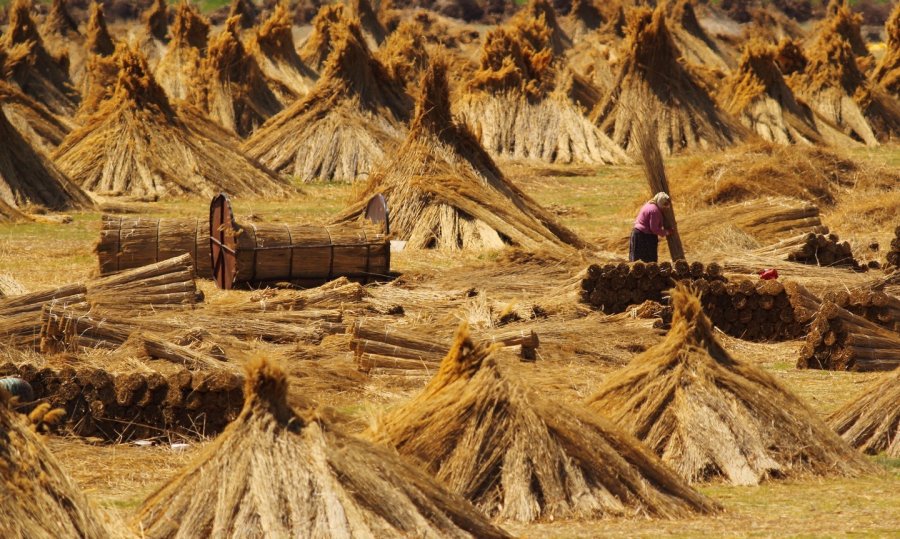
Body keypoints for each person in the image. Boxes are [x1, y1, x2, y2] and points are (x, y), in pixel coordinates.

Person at [629, 192, 674, 263]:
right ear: (660, 202)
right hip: (644, 237)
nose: (666, 207)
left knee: (639, 261)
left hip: (639, 234)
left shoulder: (650, 204)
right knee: (646, 262)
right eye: (665, 204)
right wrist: (667, 232)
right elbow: (654, 229)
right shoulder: (655, 211)